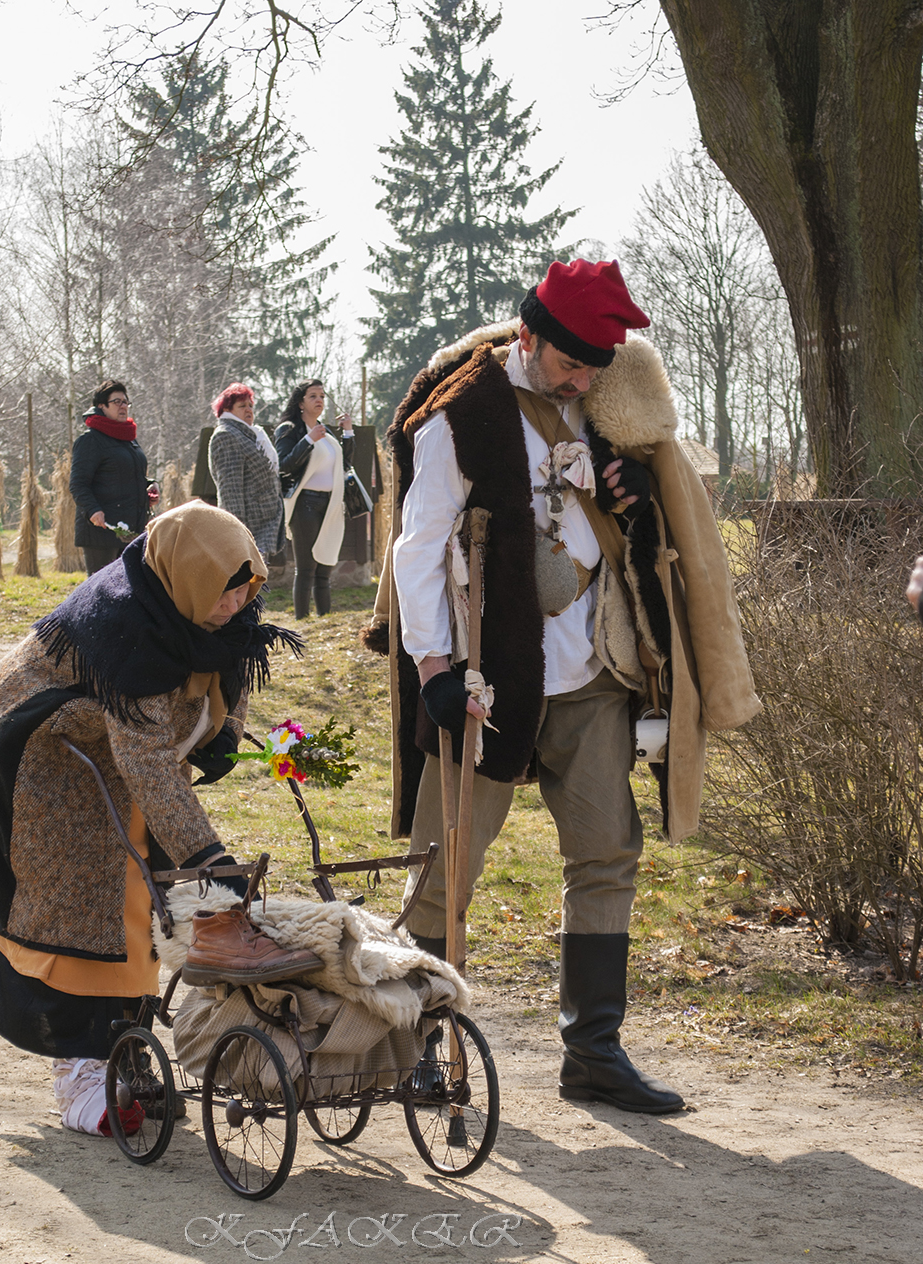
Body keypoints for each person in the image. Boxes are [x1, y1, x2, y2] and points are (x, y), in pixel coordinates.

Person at [364, 257, 761, 1115]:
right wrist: (434, 668)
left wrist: (630, 490)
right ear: (531, 336)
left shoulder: (612, 407)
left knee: (606, 849)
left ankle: (593, 1052)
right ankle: (420, 1045)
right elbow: (417, 547)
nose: (582, 377)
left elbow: (644, 525)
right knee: (445, 861)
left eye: (594, 364)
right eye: (570, 362)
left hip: (589, 669)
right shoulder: (459, 415)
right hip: (488, 673)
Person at [0, 502, 318, 1135]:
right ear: (189, 580)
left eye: (246, 588)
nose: (237, 606)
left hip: (108, 750)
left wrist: (224, 732)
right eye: (226, 593)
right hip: (45, 755)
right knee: (88, 905)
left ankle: (126, 1037)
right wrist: (216, 875)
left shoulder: (205, 599)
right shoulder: (128, 634)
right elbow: (147, 765)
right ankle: (82, 1065)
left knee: (145, 893)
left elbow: (233, 650)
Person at [274, 379, 354, 618]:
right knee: (306, 567)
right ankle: (302, 619)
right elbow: (284, 465)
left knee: (325, 565)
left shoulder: (326, 431)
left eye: (321, 396)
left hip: (331, 505)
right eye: (313, 396)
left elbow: (345, 464)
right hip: (305, 504)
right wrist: (308, 441)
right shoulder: (290, 429)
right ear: (300, 402)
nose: (319, 400)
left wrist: (348, 432)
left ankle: (324, 617)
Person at [71, 380, 159, 576]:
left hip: (133, 529)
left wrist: (151, 486)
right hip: (102, 530)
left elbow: (132, 477)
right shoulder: (90, 441)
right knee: (101, 590)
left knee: (129, 588)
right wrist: (94, 511)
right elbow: (78, 484)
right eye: (117, 401)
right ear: (101, 407)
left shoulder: (129, 439)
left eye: (126, 402)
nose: (123, 406)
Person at [208, 383, 283, 559]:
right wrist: (237, 535)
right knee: (244, 584)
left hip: (263, 526)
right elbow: (230, 491)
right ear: (227, 409)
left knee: (254, 584)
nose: (249, 410)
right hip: (247, 529)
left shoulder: (252, 435)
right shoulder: (226, 435)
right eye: (242, 406)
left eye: (250, 405)